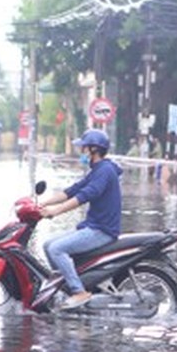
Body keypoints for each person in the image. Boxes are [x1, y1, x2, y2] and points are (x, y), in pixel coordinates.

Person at [39, 128, 123, 309]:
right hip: (93, 227)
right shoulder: (97, 170)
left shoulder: (105, 171)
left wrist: (56, 211)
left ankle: (79, 292)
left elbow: (85, 195)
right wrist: (42, 204)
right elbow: (72, 191)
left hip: (102, 230)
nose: (81, 152)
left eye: (83, 148)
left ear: (93, 150)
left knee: (56, 249)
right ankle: (64, 288)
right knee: (47, 245)